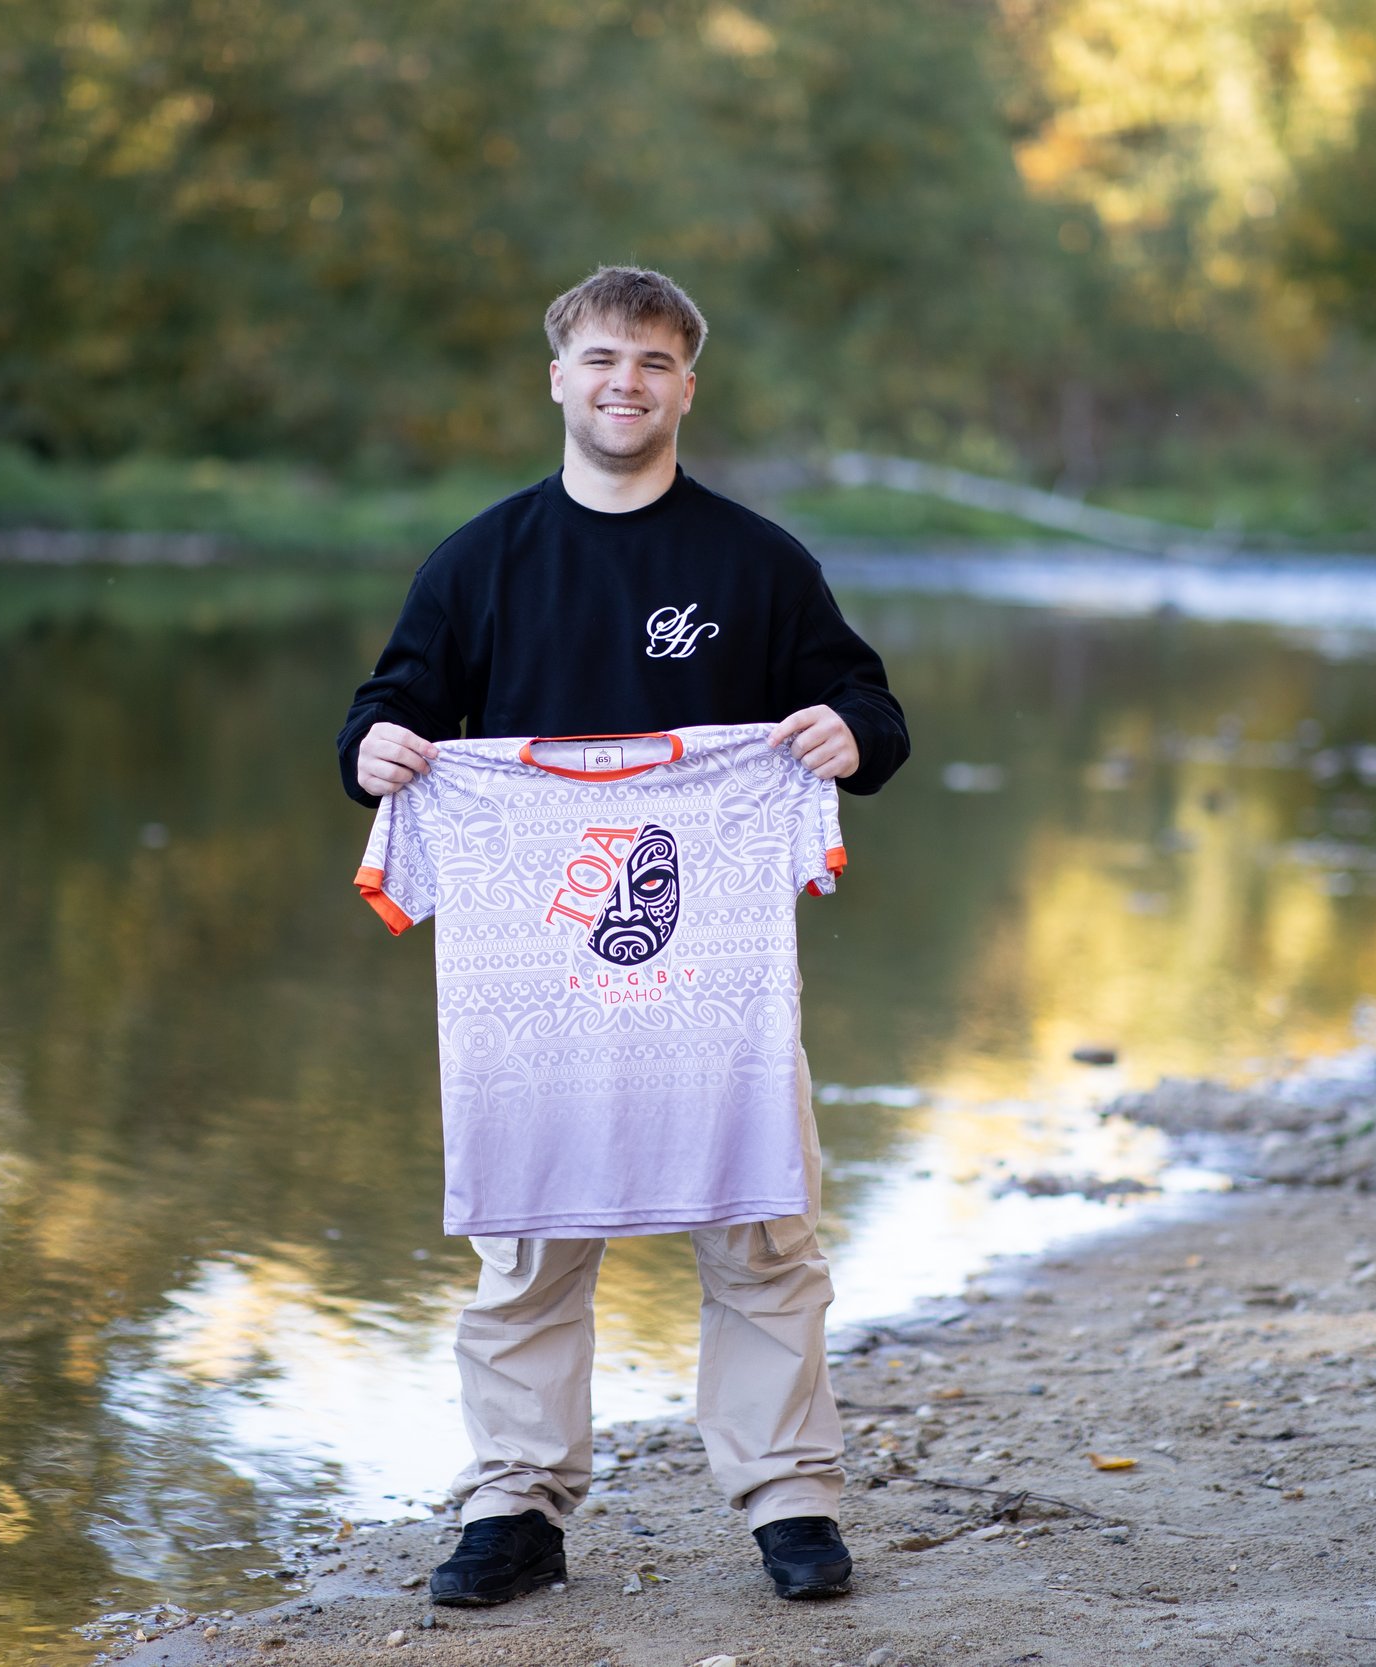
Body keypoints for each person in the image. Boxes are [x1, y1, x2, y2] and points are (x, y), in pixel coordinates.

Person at [335, 266, 909, 1605]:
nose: (624, 384)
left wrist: (852, 734)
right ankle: (515, 1508)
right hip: (533, 982)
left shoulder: (755, 563)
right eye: (601, 359)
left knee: (766, 1227)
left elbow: (863, 700)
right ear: (558, 376)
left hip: (716, 979)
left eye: (652, 364)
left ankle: (790, 1502)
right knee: (527, 1242)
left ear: (686, 386)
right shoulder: (480, 562)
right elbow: (386, 704)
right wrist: (375, 749)